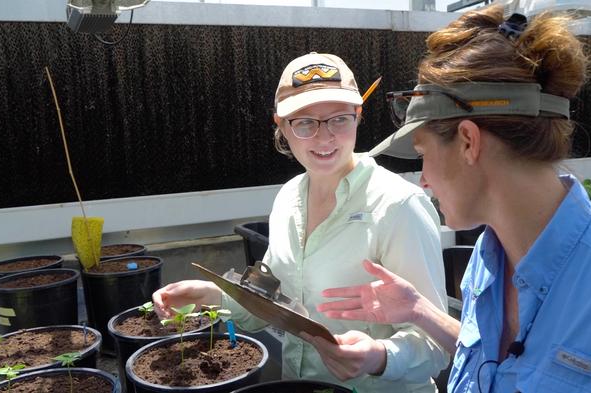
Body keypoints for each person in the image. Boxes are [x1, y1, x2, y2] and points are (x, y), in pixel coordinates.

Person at [304, 5, 591, 393]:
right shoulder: (488, 259)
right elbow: (505, 364)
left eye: (423, 155)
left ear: (469, 143)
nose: (422, 181)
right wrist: (418, 311)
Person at [153, 52, 450, 392]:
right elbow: (274, 300)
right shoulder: (289, 197)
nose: (324, 138)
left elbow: (436, 343)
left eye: (339, 118)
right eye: (304, 122)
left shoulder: (398, 206)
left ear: (358, 116)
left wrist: (381, 357)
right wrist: (215, 295)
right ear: (281, 125)